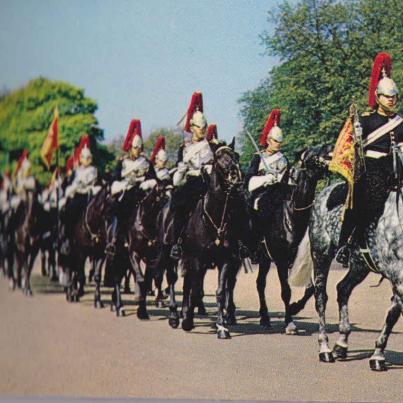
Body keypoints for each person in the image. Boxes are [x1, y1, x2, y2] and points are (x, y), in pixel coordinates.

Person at [336, 52, 403, 264]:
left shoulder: (401, 122)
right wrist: (354, 134)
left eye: (394, 96)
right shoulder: (366, 121)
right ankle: (349, 241)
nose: (391, 99)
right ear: (378, 97)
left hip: (398, 166)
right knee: (370, 198)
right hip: (374, 167)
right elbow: (347, 148)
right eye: (387, 96)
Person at [170, 92, 214, 259]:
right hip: (191, 185)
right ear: (192, 127)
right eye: (198, 127)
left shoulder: (211, 146)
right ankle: (177, 243)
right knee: (180, 207)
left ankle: (238, 243)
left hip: (208, 184)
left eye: (204, 127)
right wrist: (182, 169)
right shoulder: (184, 148)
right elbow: (177, 181)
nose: (201, 130)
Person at [105, 119, 157, 256]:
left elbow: (154, 179)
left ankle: (155, 238)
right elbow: (115, 180)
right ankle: (114, 239)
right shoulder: (123, 162)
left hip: (141, 192)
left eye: (140, 147)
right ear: (130, 147)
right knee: (118, 209)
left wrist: (147, 182)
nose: (138, 150)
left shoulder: (146, 162)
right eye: (135, 148)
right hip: (127, 192)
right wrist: (123, 185)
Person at [245, 109, 289, 260]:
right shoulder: (258, 158)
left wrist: (278, 179)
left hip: (279, 191)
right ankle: (256, 243)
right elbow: (249, 181)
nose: (278, 144)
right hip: (261, 192)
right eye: (276, 141)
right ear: (269, 140)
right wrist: (265, 179)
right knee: (259, 205)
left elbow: (286, 178)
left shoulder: (283, 159)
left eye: (280, 142)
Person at [61, 135, 98, 253]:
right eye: (84, 158)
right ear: (80, 158)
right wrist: (74, 186)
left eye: (88, 158)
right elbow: (69, 185)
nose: (86, 160)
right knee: (69, 212)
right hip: (78, 196)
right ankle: (67, 239)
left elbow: (95, 182)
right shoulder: (76, 171)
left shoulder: (94, 170)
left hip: (90, 196)